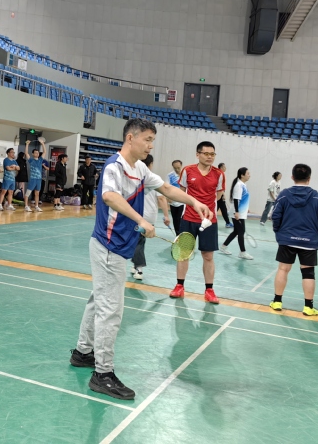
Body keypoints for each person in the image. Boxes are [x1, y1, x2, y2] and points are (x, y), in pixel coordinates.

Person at [69, 119, 211, 401]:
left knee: (99, 300)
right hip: (108, 245)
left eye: (152, 141)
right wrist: (141, 220)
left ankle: (83, 352)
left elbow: (166, 189)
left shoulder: (140, 169)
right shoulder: (114, 166)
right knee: (110, 310)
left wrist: (194, 202)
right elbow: (110, 197)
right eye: (147, 139)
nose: (150, 146)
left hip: (118, 246)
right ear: (130, 138)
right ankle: (103, 375)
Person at [269, 164, 318, 317]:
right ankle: (308, 307)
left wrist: (279, 233)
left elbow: (275, 215)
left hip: (287, 239)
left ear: (292, 177)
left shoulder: (284, 195)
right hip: (309, 241)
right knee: (308, 272)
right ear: (309, 178)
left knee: (283, 269)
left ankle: (277, 302)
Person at [169, 142, 224, 304]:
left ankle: (209, 290)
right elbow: (182, 193)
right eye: (206, 153)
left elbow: (218, 195)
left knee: (208, 256)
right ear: (197, 154)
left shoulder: (219, 174)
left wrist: (208, 209)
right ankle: (179, 286)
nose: (209, 157)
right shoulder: (187, 171)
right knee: (183, 254)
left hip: (209, 221)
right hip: (188, 218)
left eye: (212, 154)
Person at [131, 155, 172, 280]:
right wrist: (166, 215)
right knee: (139, 241)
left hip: (136, 216)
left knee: (137, 241)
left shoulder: (134, 177)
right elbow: (161, 198)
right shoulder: (155, 178)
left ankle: (137, 267)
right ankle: (137, 266)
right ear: (151, 164)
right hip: (148, 217)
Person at [219, 167, 254, 260]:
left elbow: (243, 198)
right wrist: (237, 212)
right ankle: (242, 252)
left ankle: (223, 246)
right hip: (237, 213)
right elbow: (236, 199)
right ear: (242, 175)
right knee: (241, 232)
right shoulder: (239, 185)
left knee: (236, 231)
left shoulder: (243, 184)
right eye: (248, 173)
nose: (249, 175)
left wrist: (247, 208)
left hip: (241, 212)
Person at [24, 140, 48, 212]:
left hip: (39, 179)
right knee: (28, 193)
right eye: (35, 153)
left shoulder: (40, 160)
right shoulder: (31, 160)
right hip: (33, 179)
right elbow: (26, 153)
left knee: (37, 193)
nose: (37, 154)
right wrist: (27, 144)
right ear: (33, 154)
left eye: (38, 153)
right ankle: (26, 206)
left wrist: (42, 143)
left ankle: (36, 206)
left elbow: (44, 152)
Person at [167, 160, 184, 233]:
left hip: (183, 202)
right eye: (175, 168)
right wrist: (168, 197)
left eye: (178, 168)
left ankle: (182, 234)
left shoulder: (185, 175)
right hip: (173, 202)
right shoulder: (170, 175)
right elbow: (167, 187)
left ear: (181, 166)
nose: (177, 170)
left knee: (181, 219)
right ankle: (178, 235)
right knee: (175, 219)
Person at [217, 162, 233, 228]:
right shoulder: (221, 174)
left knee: (221, 209)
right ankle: (228, 223)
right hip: (219, 195)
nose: (225, 168)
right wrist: (223, 194)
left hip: (219, 194)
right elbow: (220, 186)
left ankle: (228, 222)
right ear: (221, 167)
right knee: (223, 209)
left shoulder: (218, 173)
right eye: (224, 167)